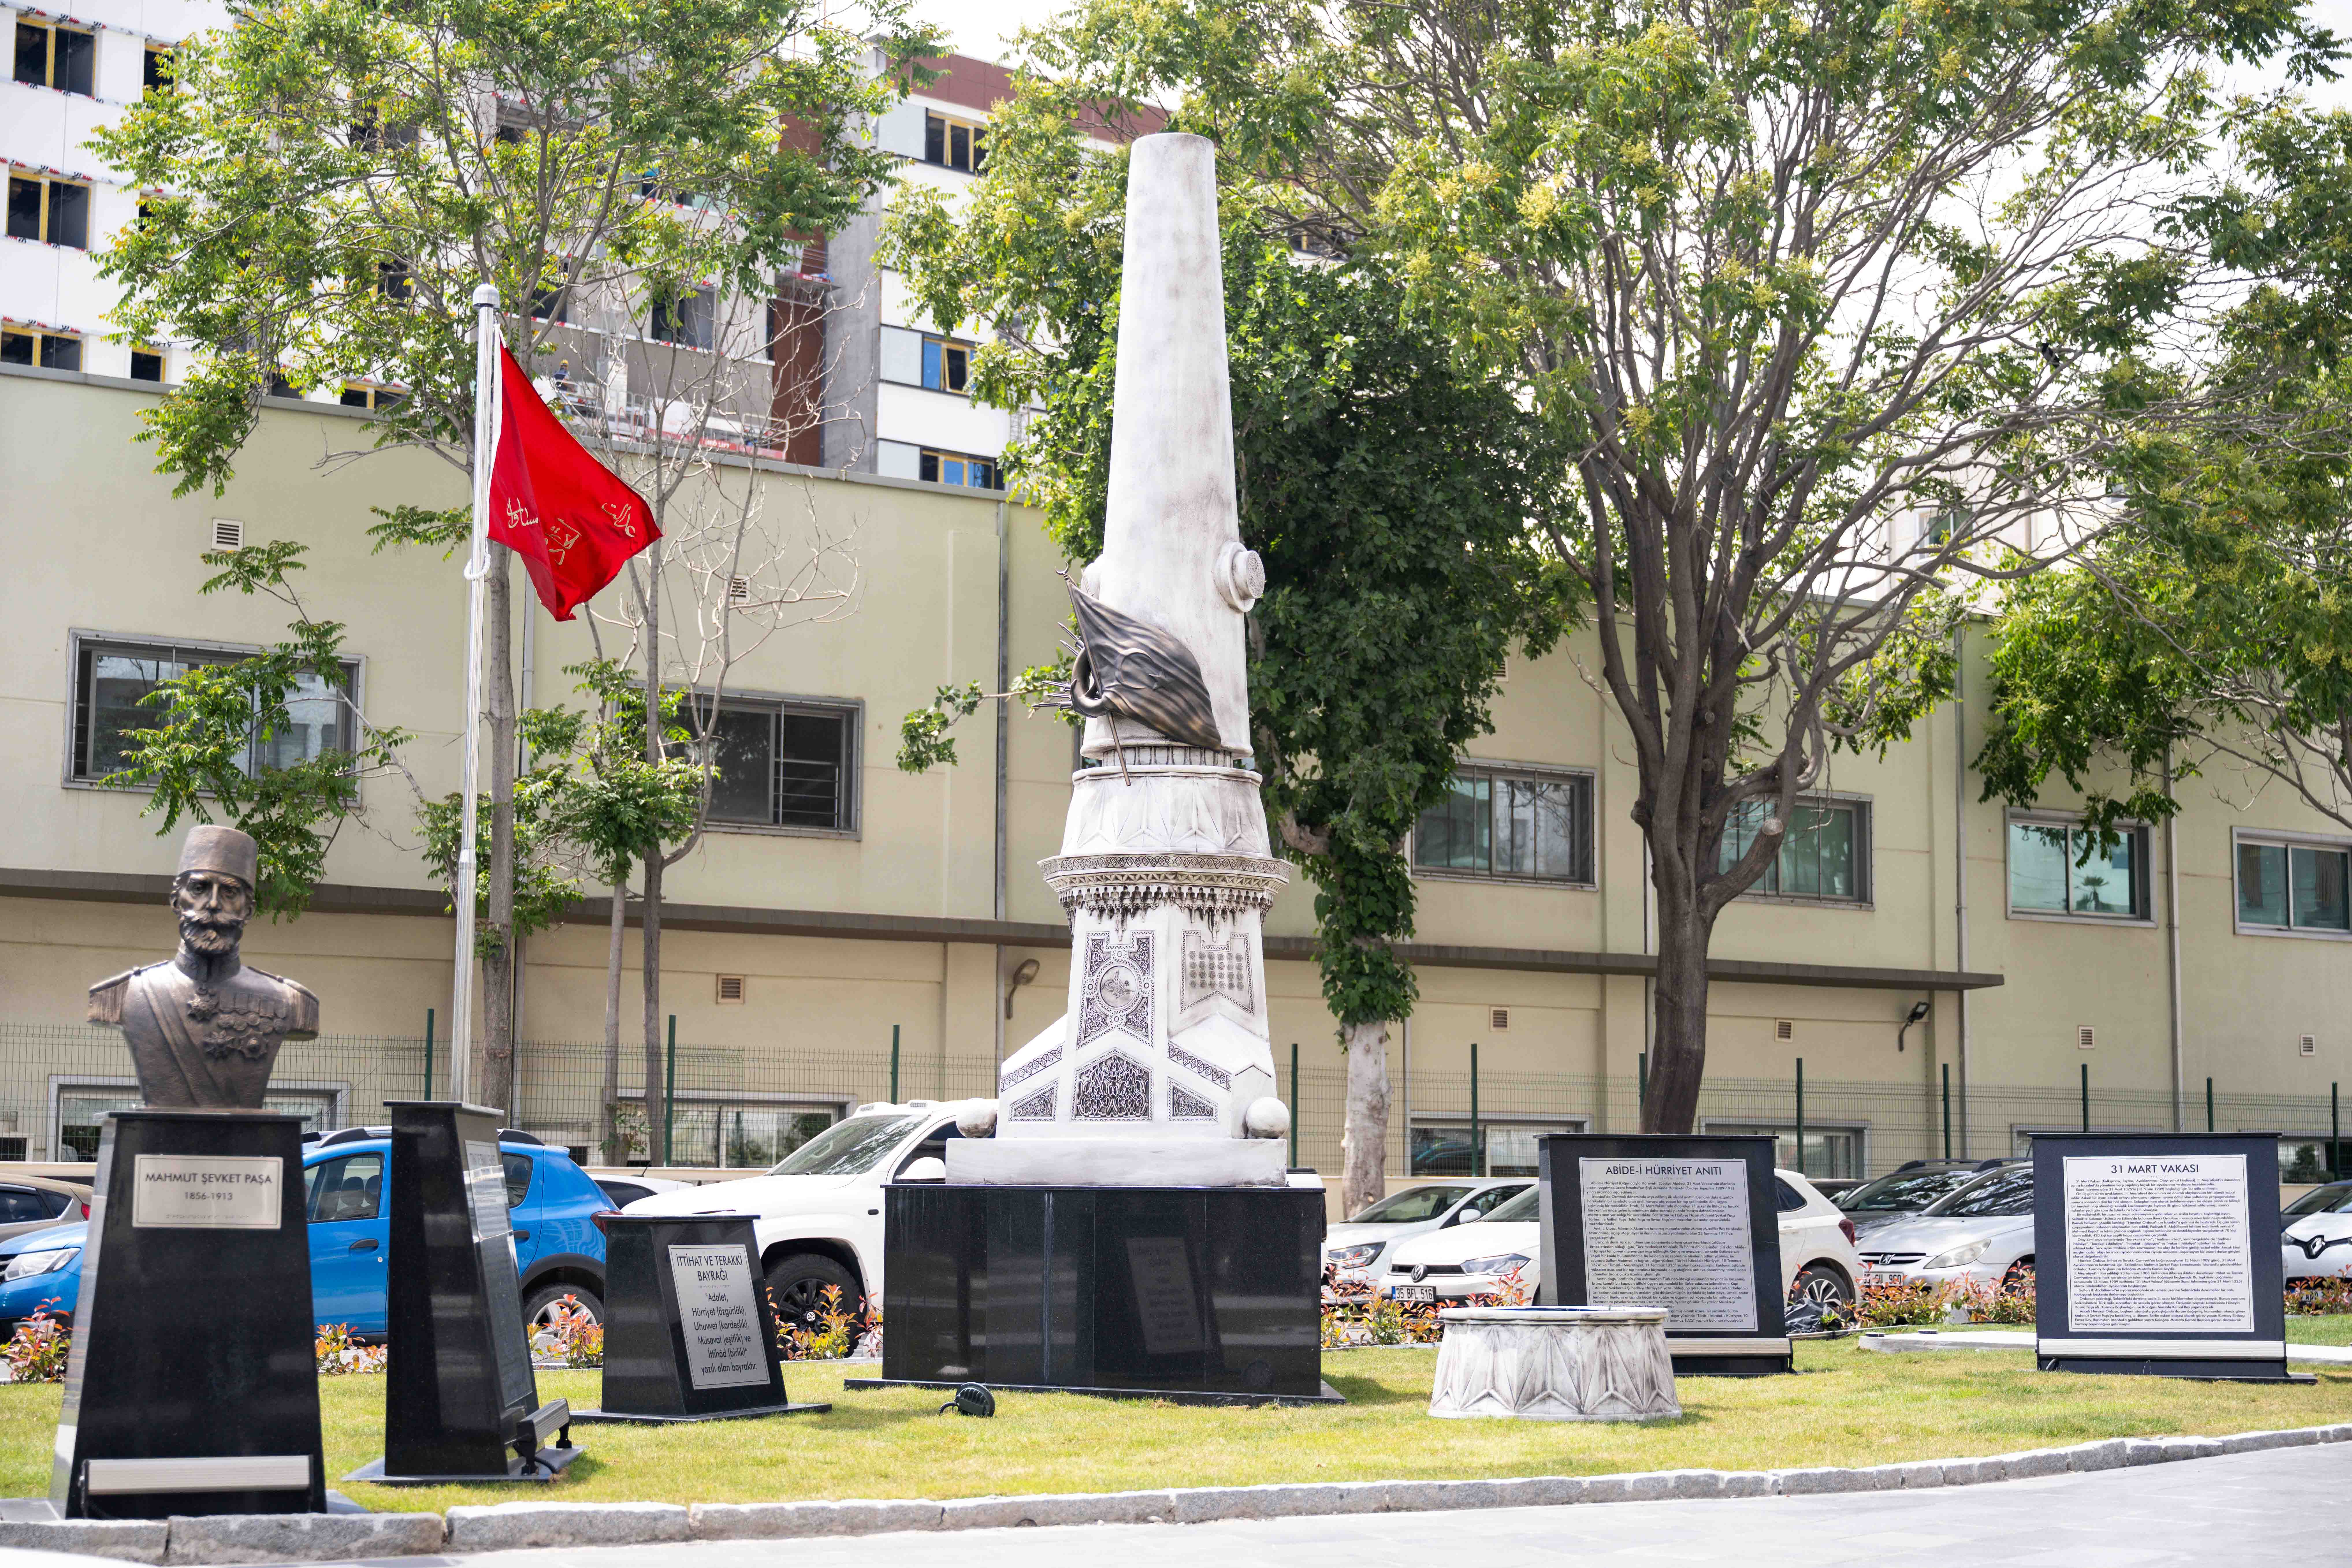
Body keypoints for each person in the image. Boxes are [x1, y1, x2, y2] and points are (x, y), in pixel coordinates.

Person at [87, 825, 318, 1108]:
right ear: (176, 901)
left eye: (230, 893)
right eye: (199, 888)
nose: (212, 903)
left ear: (248, 910)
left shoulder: (292, 1001)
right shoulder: (120, 995)